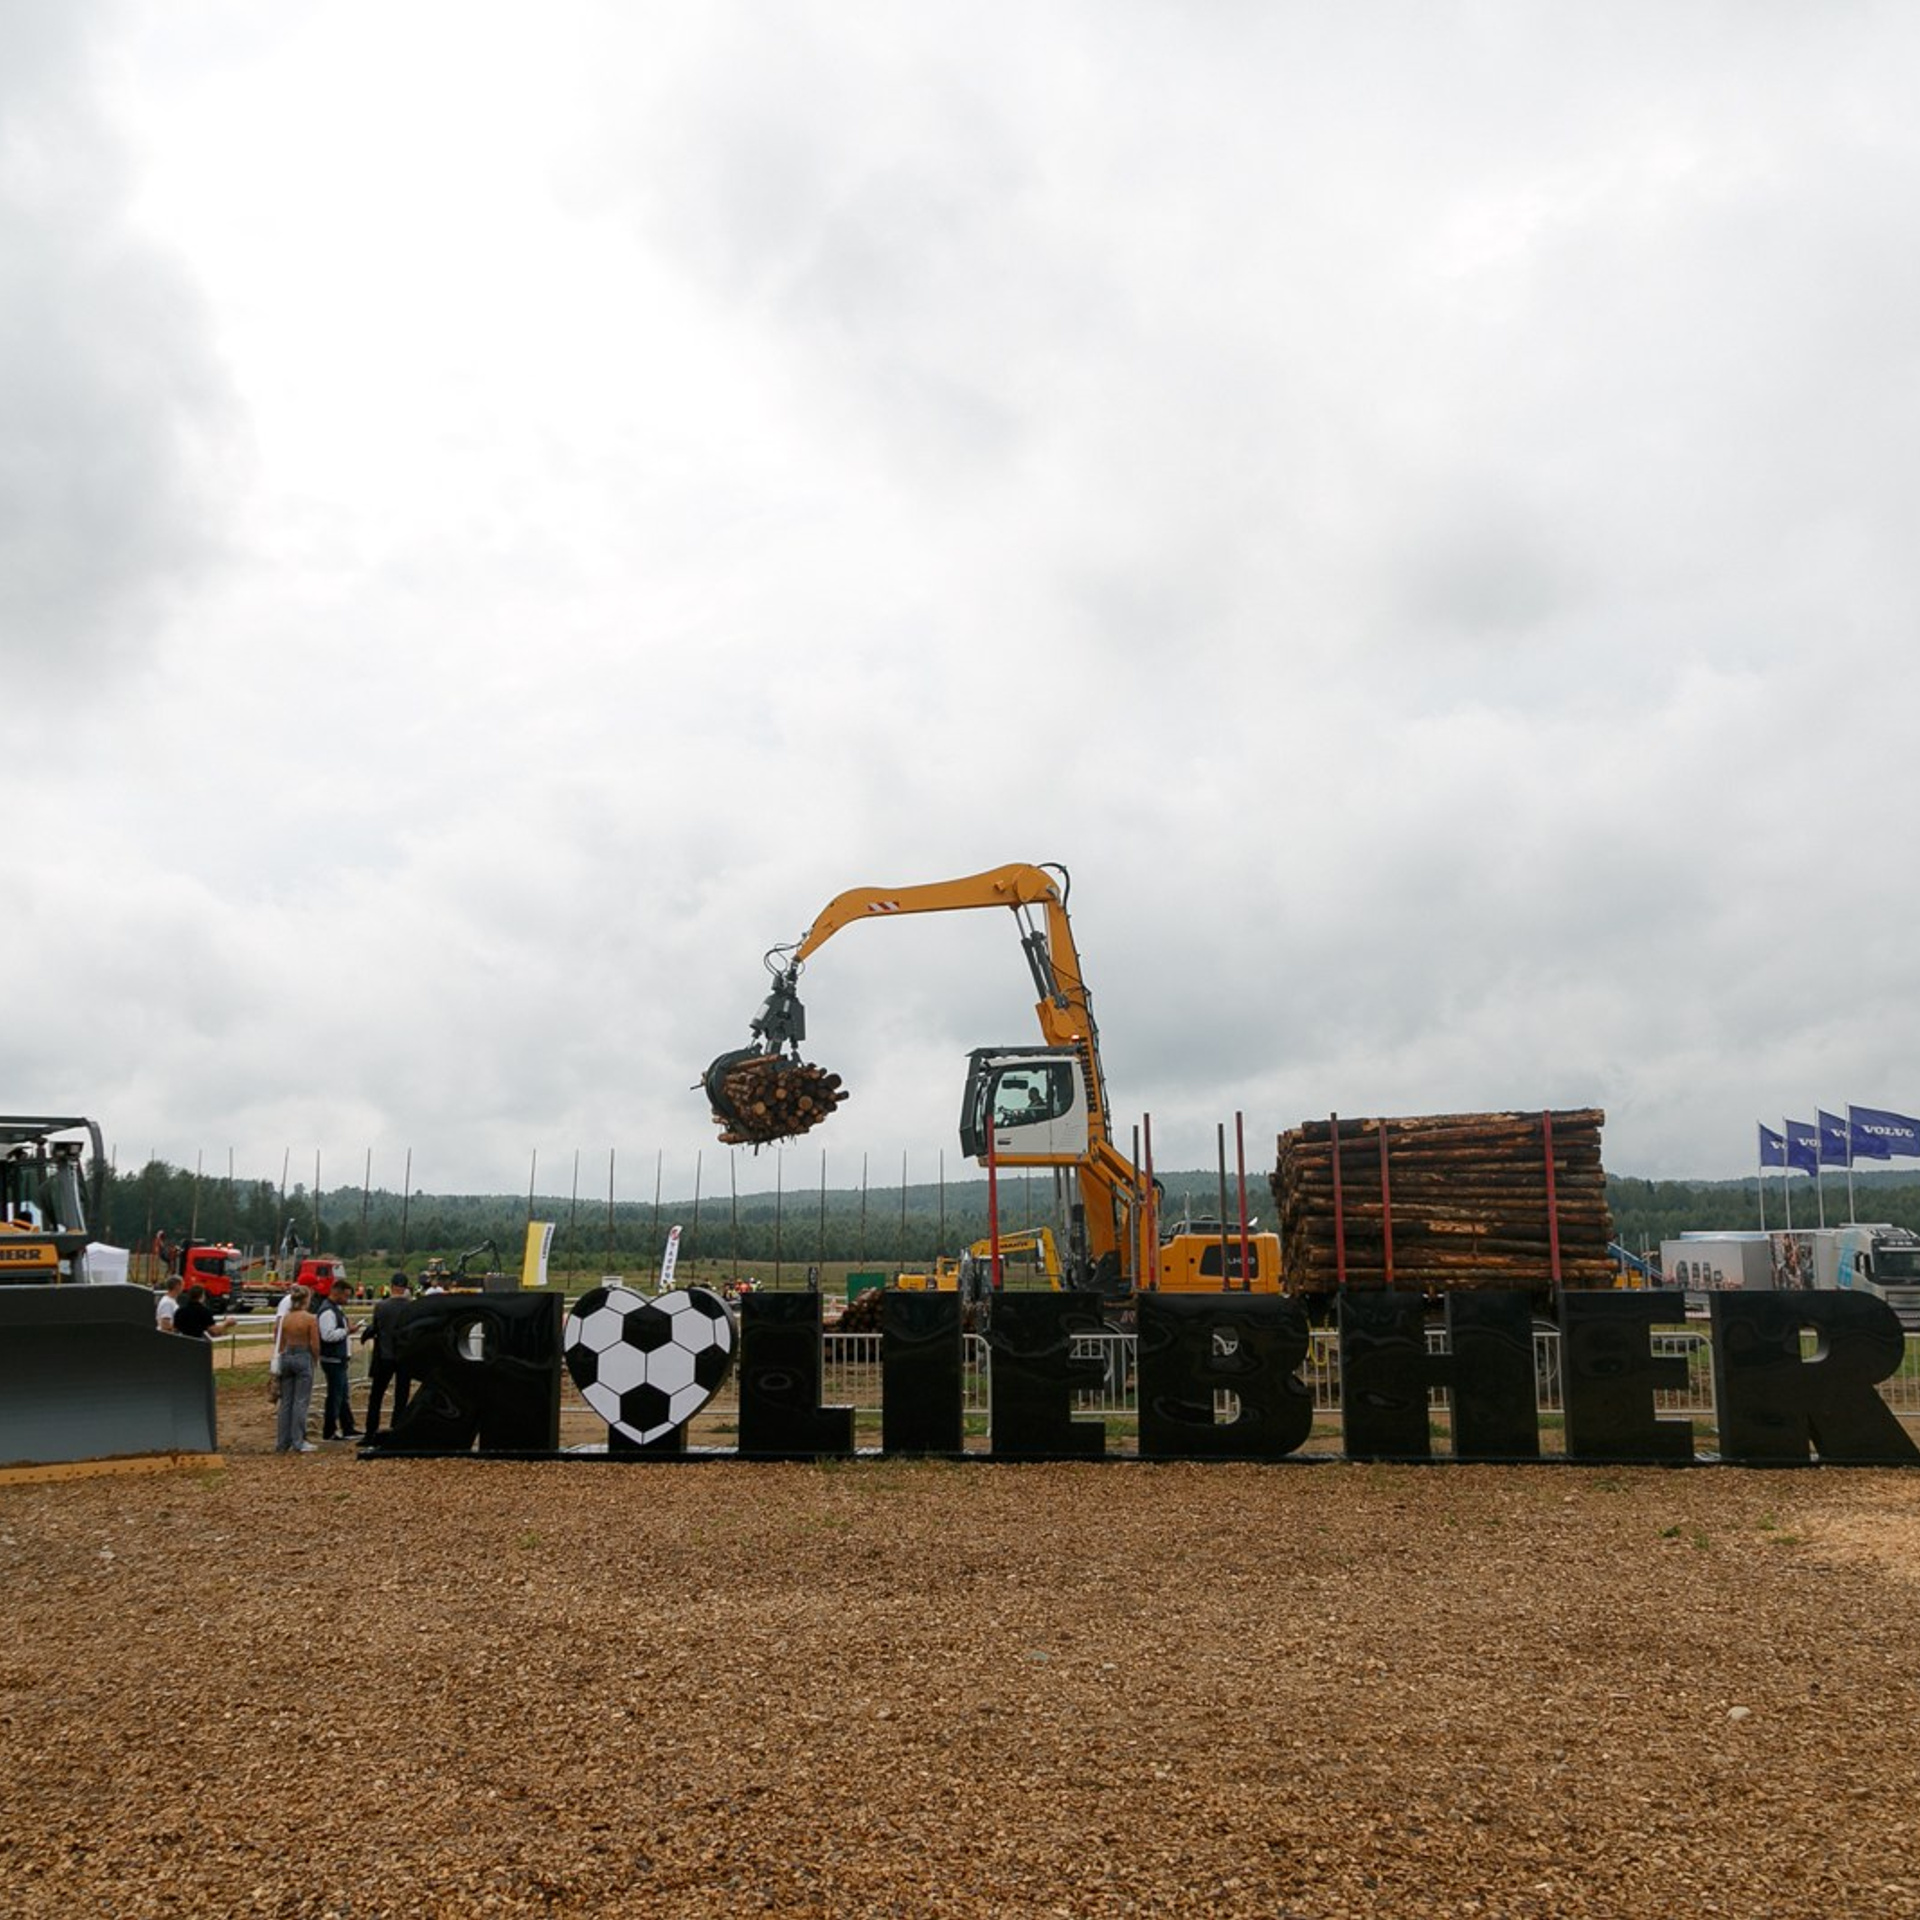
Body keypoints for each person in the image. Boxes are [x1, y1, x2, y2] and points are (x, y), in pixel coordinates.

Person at [360, 1273, 414, 1440]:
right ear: (406, 1287)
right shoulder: (412, 1307)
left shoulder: (381, 1306)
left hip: (384, 1355)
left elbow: (375, 1327)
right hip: (404, 1356)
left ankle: (370, 1432)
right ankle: (396, 1430)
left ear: (391, 1286)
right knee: (401, 1396)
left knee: (376, 1395)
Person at [274, 1285, 322, 1454]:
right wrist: (315, 1359)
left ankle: (282, 1442)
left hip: (287, 1355)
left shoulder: (285, 1319)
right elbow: (315, 1344)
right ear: (305, 1300)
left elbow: (279, 1339)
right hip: (303, 1355)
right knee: (301, 1401)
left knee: (286, 1402)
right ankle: (298, 1441)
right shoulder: (310, 1319)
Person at [316, 1282, 359, 1441]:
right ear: (337, 1293)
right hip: (332, 1359)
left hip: (337, 1358)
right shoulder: (328, 1312)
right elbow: (328, 1335)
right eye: (346, 1296)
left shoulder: (335, 1309)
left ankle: (348, 1427)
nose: (347, 1299)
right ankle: (330, 1430)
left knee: (342, 1395)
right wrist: (347, 1331)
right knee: (335, 1396)